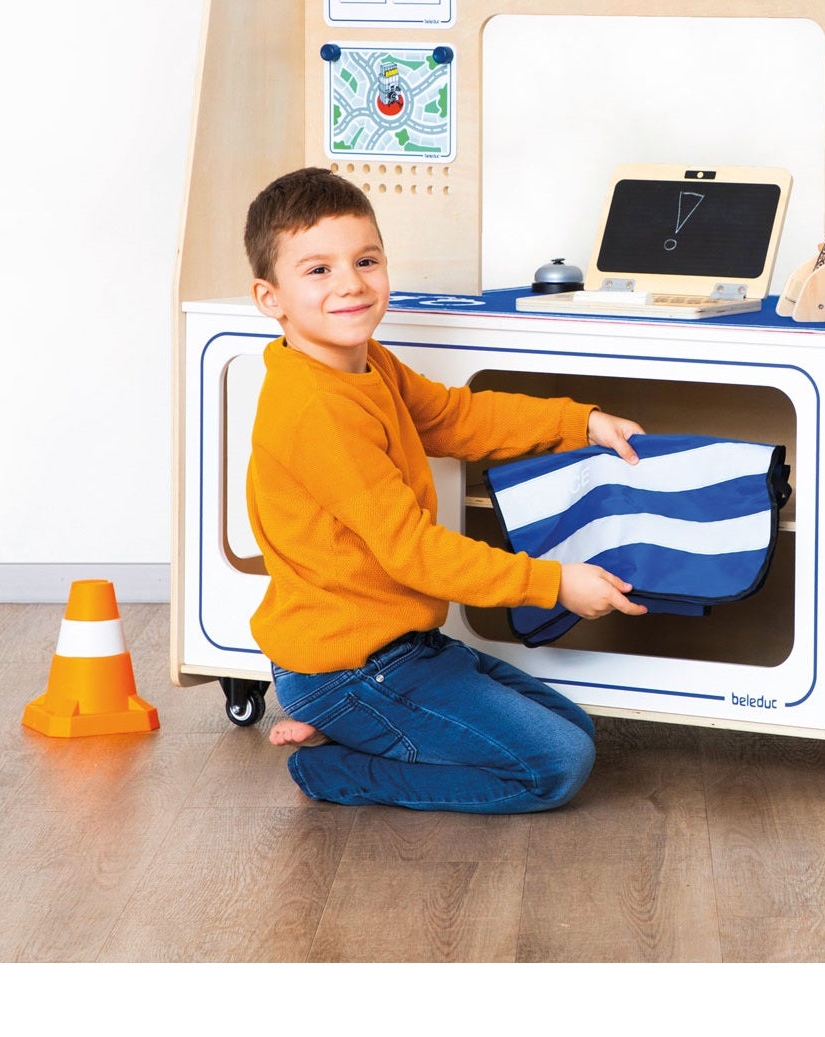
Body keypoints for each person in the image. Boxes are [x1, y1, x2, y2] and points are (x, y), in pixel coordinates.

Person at [241, 166, 647, 812]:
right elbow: (415, 551)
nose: (351, 284)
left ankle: (355, 729)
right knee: (555, 766)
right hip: (349, 667)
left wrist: (581, 423)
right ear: (271, 298)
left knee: (574, 729)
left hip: (401, 648)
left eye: (366, 261)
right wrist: (554, 583)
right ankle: (335, 766)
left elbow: (456, 418)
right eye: (319, 270)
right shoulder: (317, 409)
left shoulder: (367, 363)